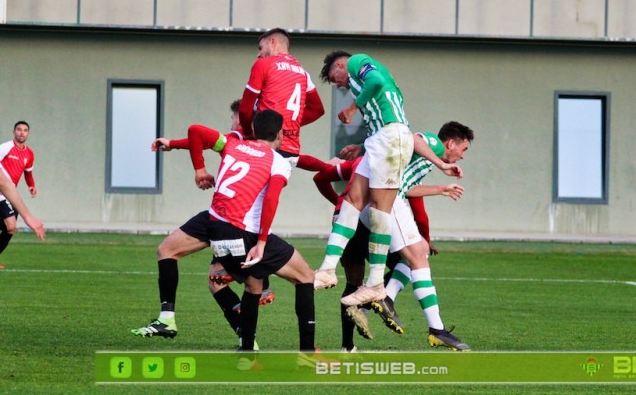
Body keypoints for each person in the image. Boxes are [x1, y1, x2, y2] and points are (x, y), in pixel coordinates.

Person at [313, 51, 461, 307]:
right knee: (352, 201)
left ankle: (375, 283)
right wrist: (362, 146)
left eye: (334, 78)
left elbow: (377, 83)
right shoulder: (370, 83)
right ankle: (327, 269)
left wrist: (351, 107)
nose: (338, 84)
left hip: (390, 139)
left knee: (380, 212)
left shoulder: (357, 61)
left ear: (340, 65)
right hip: (382, 140)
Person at [131, 100, 273, 342]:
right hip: (220, 217)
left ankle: (258, 298)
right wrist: (173, 145)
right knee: (170, 252)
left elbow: (198, 133)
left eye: (233, 118)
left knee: (228, 282)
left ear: (240, 117)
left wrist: (199, 169)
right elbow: (201, 139)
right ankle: (169, 319)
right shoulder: (249, 142)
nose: (232, 122)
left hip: (235, 223)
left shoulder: (237, 142)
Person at [193, 110, 318, 354]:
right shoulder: (278, 161)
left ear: (253, 129)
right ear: (280, 134)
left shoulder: (233, 145)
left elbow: (195, 131)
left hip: (216, 231)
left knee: (253, 286)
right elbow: (271, 198)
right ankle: (307, 352)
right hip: (247, 234)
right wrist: (261, 242)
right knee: (305, 277)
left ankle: (247, 350)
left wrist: (191, 161)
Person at [346, 122, 475, 352]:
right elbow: (416, 138)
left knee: (418, 253)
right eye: (463, 149)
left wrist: (441, 189)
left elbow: (407, 188)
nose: (462, 156)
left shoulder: (422, 160)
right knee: (418, 257)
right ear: (451, 143)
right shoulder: (434, 145)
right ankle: (437, 330)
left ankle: (377, 301)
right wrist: (442, 163)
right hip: (387, 201)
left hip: (380, 201)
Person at [239, 28, 324, 162]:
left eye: (261, 48)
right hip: (292, 150)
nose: (259, 54)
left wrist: (248, 134)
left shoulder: (264, 64)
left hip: (268, 143)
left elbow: (244, 109)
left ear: (272, 42)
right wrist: (289, 125)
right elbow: (317, 110)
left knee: (250, 182)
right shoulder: (303, 73)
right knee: (276, 183)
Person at [0, 121, 45, 268]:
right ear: (13, 132)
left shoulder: (29, 154)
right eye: (19, 129)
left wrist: (31, 185)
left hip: (12, 193)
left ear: (28, 134)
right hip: (0, 192)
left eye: (25, 130)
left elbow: (28, 173)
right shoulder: (4, 148)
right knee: (10, 226)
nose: (21, 133)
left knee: (10, 228)